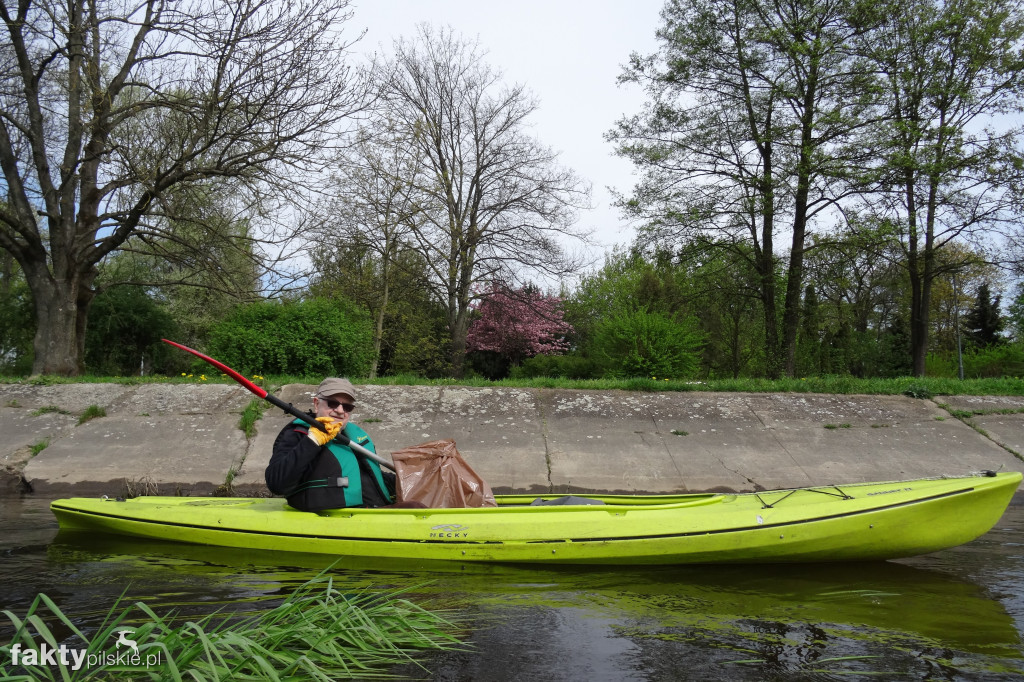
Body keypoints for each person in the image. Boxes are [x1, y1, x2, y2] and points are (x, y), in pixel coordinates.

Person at [265, 378, 396, 512]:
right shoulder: (298, 434)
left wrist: (406, 478)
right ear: (316, 404)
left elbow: (367, 476)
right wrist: (312, 441)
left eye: (347, 407)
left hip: (375, 512)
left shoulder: (353, 435)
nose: (340, 410)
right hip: (334, 516)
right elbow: (276, 484)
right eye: (332, 403)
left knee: (416, 504)